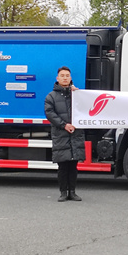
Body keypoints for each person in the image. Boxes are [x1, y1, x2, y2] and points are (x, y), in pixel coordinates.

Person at [44, 66, 86, 202]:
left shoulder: (77, 94)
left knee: (73, 166)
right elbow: (50, 113)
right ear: (57, 78)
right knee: (63, 166)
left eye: (67, 75)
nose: (65, 78)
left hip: (75, 134)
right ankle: (63, 192)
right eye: (62, 75)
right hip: (61, 134)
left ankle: (72, 192)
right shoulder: (51, 96)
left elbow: (85, 109)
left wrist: (80, 95)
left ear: (71, 78)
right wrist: (64, 125)